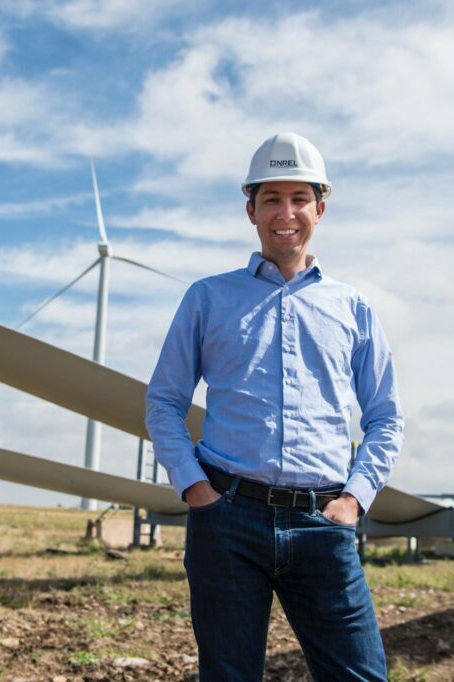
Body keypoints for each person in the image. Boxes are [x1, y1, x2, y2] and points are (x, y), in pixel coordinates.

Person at [145, 132, 404, 681]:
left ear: (320, 209)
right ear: (250, 210)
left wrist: (355, 500)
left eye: (299, 199)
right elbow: (165, 401)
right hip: (227, 519)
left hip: (324, 521)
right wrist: (196, 488)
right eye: (271, 199)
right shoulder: (207, 298)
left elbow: (385, 417)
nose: (285, 213)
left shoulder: (353, 308)